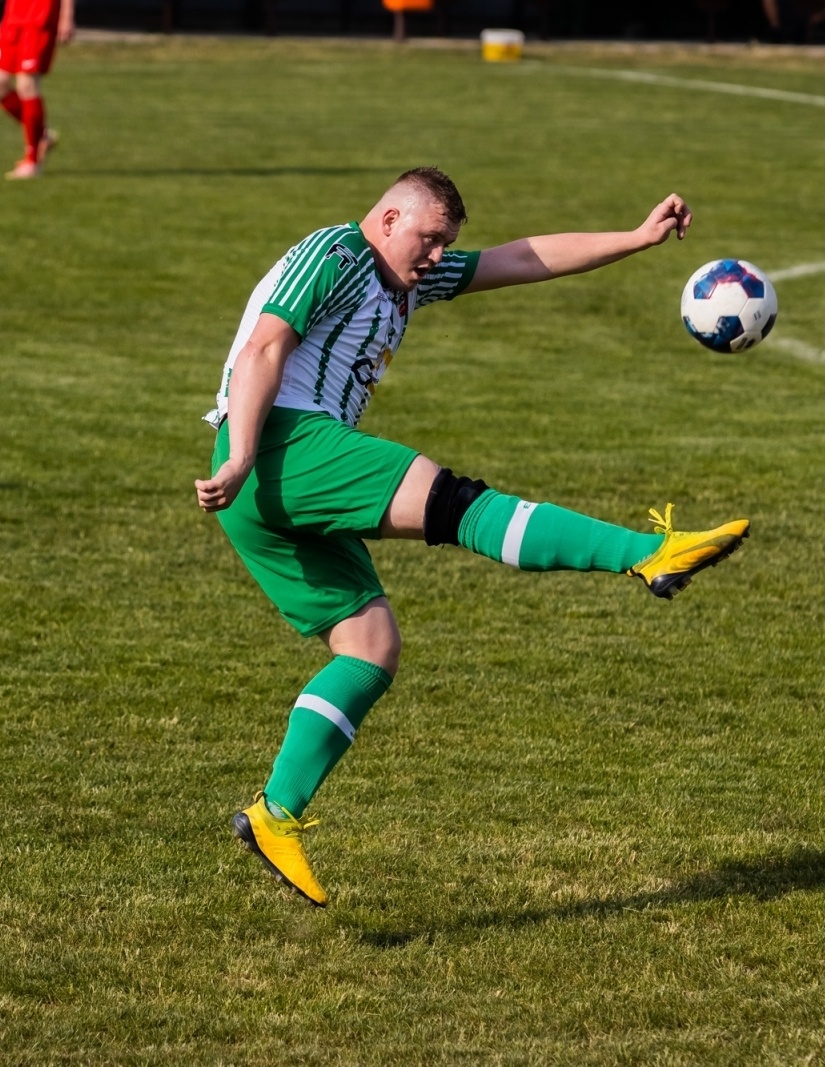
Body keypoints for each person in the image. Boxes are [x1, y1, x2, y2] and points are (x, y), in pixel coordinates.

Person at [196, 168, 750, 905]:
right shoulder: (335, 253)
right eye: (428, 239)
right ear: (389, 218)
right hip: (280, 445)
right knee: (457, 504)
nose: (436, 256)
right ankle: (645, 554)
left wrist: (637, 237)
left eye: (445, 245)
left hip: (264, 485)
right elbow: (264, 348)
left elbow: (521, 258)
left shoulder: (409, 278)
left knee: (370, 647)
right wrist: (239, 451)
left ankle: (276, 813)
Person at [0, 0, 74, 180]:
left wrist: (67, 16)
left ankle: (33, 162)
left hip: (39, 20)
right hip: (12, 21)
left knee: (27, 85)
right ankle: (41, 135)